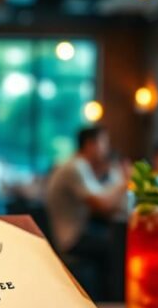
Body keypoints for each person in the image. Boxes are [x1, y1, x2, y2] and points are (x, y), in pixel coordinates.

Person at [46, 126, 129, 299]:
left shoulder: (79, 166)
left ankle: (109, 301)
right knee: (119, 246)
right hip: (71, 239)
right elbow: (102, 205)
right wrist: (125, 182)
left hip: (75, 234)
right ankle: (112, 303)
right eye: (103, 143)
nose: (106, 148)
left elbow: (102, 198)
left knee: (114, 241)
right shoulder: (74, 168)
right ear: (90, 144)